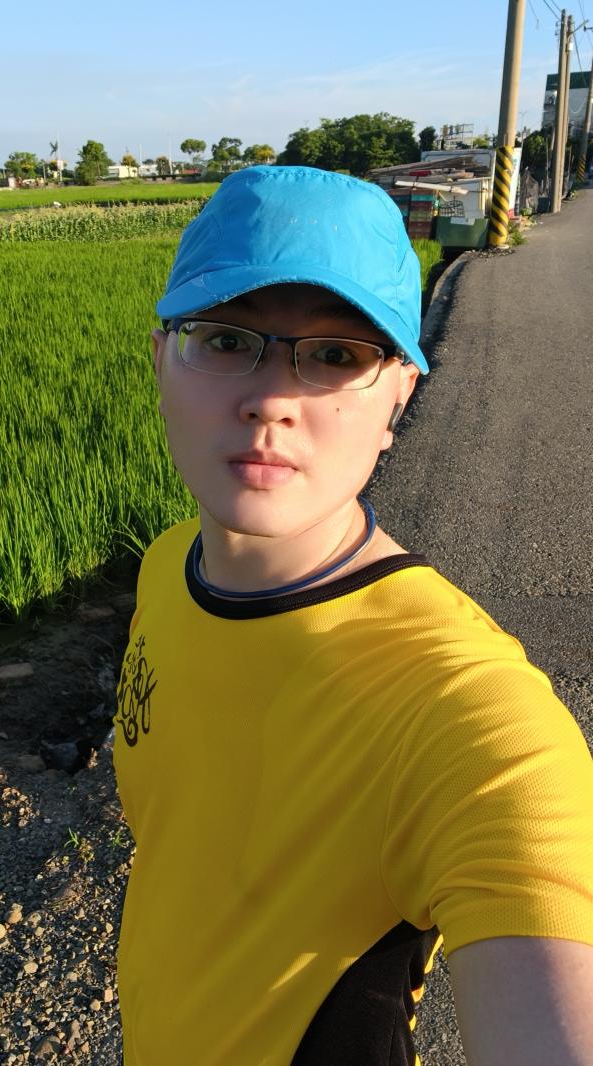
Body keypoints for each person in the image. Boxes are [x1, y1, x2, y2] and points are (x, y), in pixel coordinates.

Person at [112, 166, 593, 1066]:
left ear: (400, 397)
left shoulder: (459, 707)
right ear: (160, 360)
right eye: (226, 339)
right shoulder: (167, 570)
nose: (271, 399)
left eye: (336, 356)